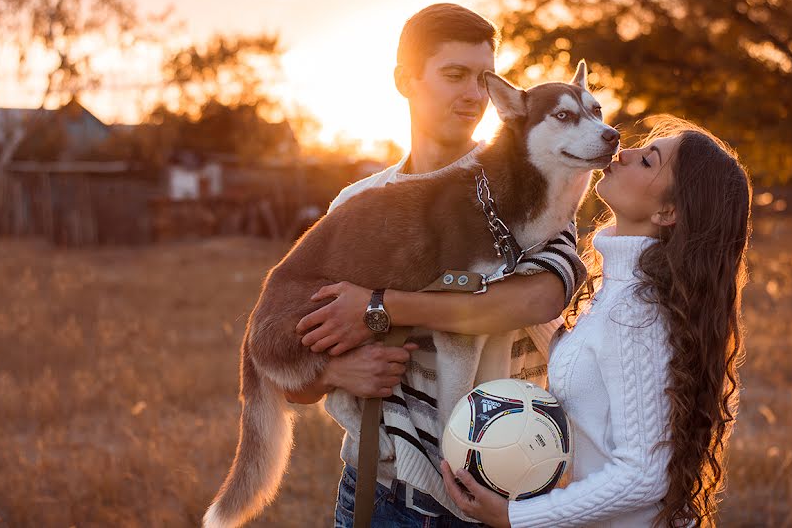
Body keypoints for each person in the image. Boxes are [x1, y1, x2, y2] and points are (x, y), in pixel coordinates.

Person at [307, 118, 752, 527]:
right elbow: (583, 361)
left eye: (647, 159)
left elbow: (643, 476)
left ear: (667, 213)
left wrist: (518, 517)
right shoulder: (624, 291)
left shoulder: (636, 312)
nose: (623, 150)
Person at [284, 3, 586, 526]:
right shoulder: (359, 204)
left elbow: (537, 297)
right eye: (454, 75)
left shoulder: (533, 188)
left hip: (504, 485)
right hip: (380, 490)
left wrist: (380, 308)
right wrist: (337, 369)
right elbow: (297, 378)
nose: (473, 94)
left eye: (483, 78)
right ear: (405, 80)